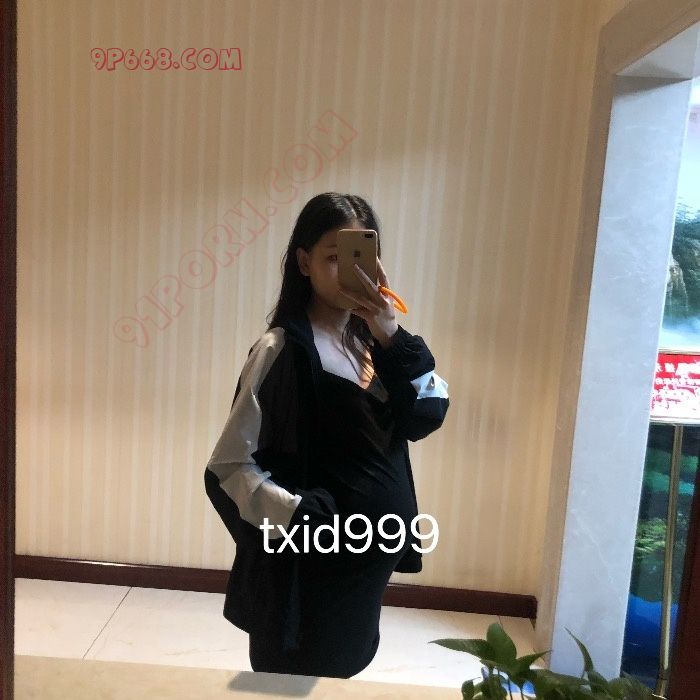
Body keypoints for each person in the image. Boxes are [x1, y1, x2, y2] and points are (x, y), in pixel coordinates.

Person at [203, 192, 450, 678]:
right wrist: (300, 517)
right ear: (304, 263)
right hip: (310, 580)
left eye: (360, 259)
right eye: (334, 258)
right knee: (294, 680)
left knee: (343, 673)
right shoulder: (280, 350)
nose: (348, 273)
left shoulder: (377, 346)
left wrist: (389, 331)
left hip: (364, 577)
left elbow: (428, 413)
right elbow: (227, 469)